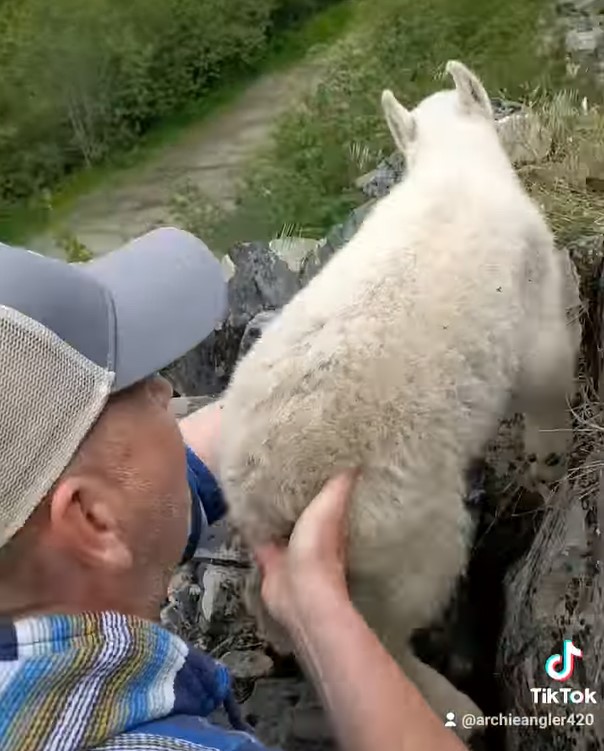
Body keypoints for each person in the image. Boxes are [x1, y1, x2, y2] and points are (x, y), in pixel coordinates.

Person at [0, 228, 469, 751]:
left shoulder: (48, 563)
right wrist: (318, 610)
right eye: (135, 388)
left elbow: (169, 478)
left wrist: (334, 364)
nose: (167, 390)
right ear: (93, 520)